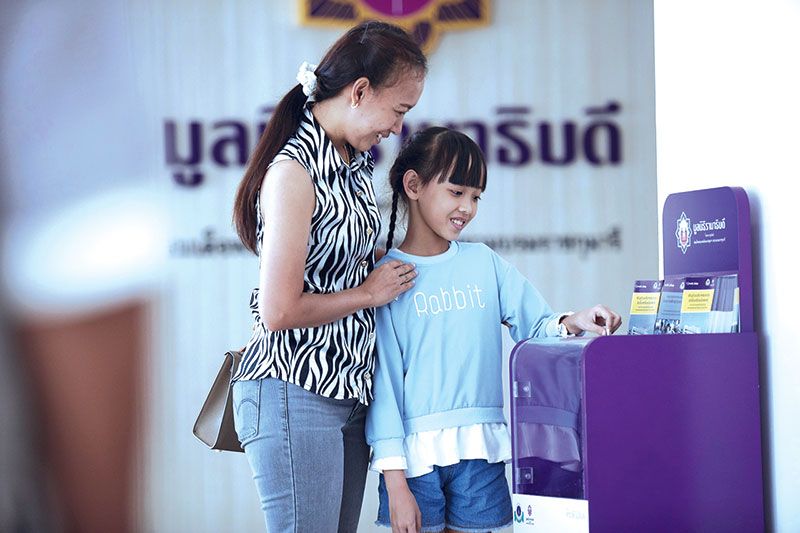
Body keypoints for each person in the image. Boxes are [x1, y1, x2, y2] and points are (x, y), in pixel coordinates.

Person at [366, 127, 622, 533]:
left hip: (482, 454)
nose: (467, 208)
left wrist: (575, 321)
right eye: (456, 192)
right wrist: (395, 483)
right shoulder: (385, 279)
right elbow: (383, 385)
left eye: (476, 197)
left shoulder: (484, 263)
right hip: (414, 463)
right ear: (413, 185)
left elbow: (536, 325)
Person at [230, 20, 427, 533]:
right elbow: (279, 311)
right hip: (295, 389)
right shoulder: (294, 172)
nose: (397, 128)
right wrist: (367, 293)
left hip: (347, 394)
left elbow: (337, 259)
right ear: (360, 91)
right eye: (398, 110)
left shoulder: (354, 165)